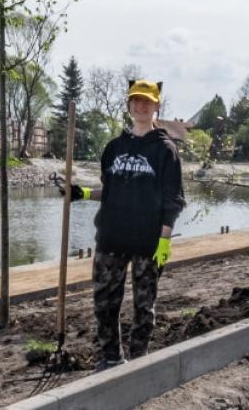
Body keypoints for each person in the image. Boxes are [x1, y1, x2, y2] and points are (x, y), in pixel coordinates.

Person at [64, 79, 185, 372]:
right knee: (104, 302)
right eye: (136, 101)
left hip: (147, 241)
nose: (141, 106)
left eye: (147, 101)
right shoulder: (114, 148)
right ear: (129, 105)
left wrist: (165, 239)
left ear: (156, 106)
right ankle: (110, 359)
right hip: (112, 237)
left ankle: (139, 360)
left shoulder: (165, 150)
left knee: (143, 306)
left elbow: (174, 200)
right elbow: (113, 192)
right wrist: (83, 194)